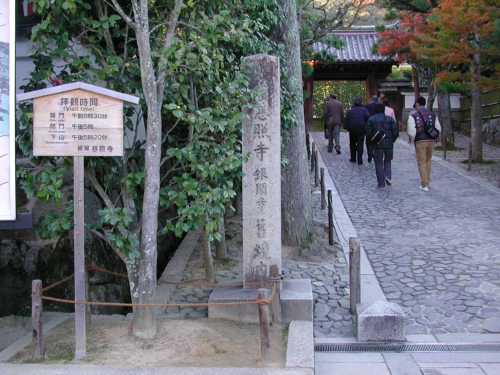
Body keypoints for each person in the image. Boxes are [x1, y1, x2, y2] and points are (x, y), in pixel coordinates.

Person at [407, 96, 442, 192]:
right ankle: (427, 179)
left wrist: (414, 137)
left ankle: (424, 183)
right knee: (428, 160)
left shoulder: (413, 115)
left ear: (417, 104)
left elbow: (411, 130)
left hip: (420, 140)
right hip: (431, 140)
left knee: (421, 162)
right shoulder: (432, 114)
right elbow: (438, 127)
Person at [365, 103, 399, 188]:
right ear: (384, 109)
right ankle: (387, 176)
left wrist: (372, 143)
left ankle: (381, 182)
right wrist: (392, 140)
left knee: (379, 163)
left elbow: (368, 133)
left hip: (377, 144)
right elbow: (395, 132)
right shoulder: (390, 119)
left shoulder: (371, 119)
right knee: (388, 161)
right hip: (388, 144)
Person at [343, 97, 370, 165]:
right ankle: (360, 160)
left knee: (352, 143)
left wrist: (345, 127)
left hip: (352, 129)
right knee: (360, 144)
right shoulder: (364, 110)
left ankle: (353, 158)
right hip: (361, 129)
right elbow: (368, 118)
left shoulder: (350, 111)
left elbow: (346, 119)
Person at [363, 95, 378, 162]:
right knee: (376, 139)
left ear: (371, 99)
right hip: (377, 125)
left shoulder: (366, 106)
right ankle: (375, 152)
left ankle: (370, 152)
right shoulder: (379, 106)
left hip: (369, 124)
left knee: (368, 141)